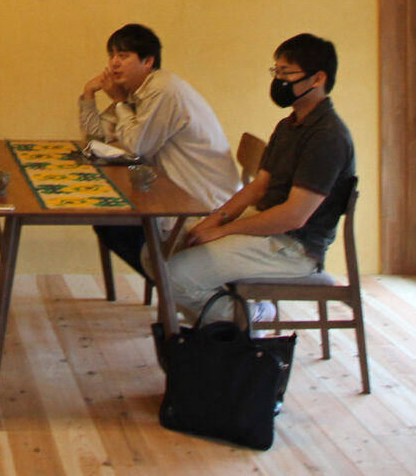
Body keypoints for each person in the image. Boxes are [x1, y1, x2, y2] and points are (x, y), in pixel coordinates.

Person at [160, 32, 355, 324]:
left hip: (293, 248)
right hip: (266, 228)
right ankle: (218, 330)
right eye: (277, 71)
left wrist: (225, 231)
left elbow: (294, 216)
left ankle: (251, 318)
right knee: (157, 250)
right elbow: (259, 187)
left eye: (287, 73)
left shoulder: (327, 136)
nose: (279, 80)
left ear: (318, 79)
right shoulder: (289, 125)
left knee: (175, 275)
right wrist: (215, 220)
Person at [78, 22, 236, 274]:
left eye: (123, 56)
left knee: (115, 226)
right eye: (111, 56)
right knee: (107, 224)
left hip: (202, 204)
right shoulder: (137, 93)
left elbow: (137, 145)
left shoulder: (163, 90)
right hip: (172, 194)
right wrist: (88, 94)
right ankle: (165, 282)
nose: (114, 63)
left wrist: (119, 101)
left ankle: (169, 283)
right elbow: (95, 139)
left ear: (148, 61)